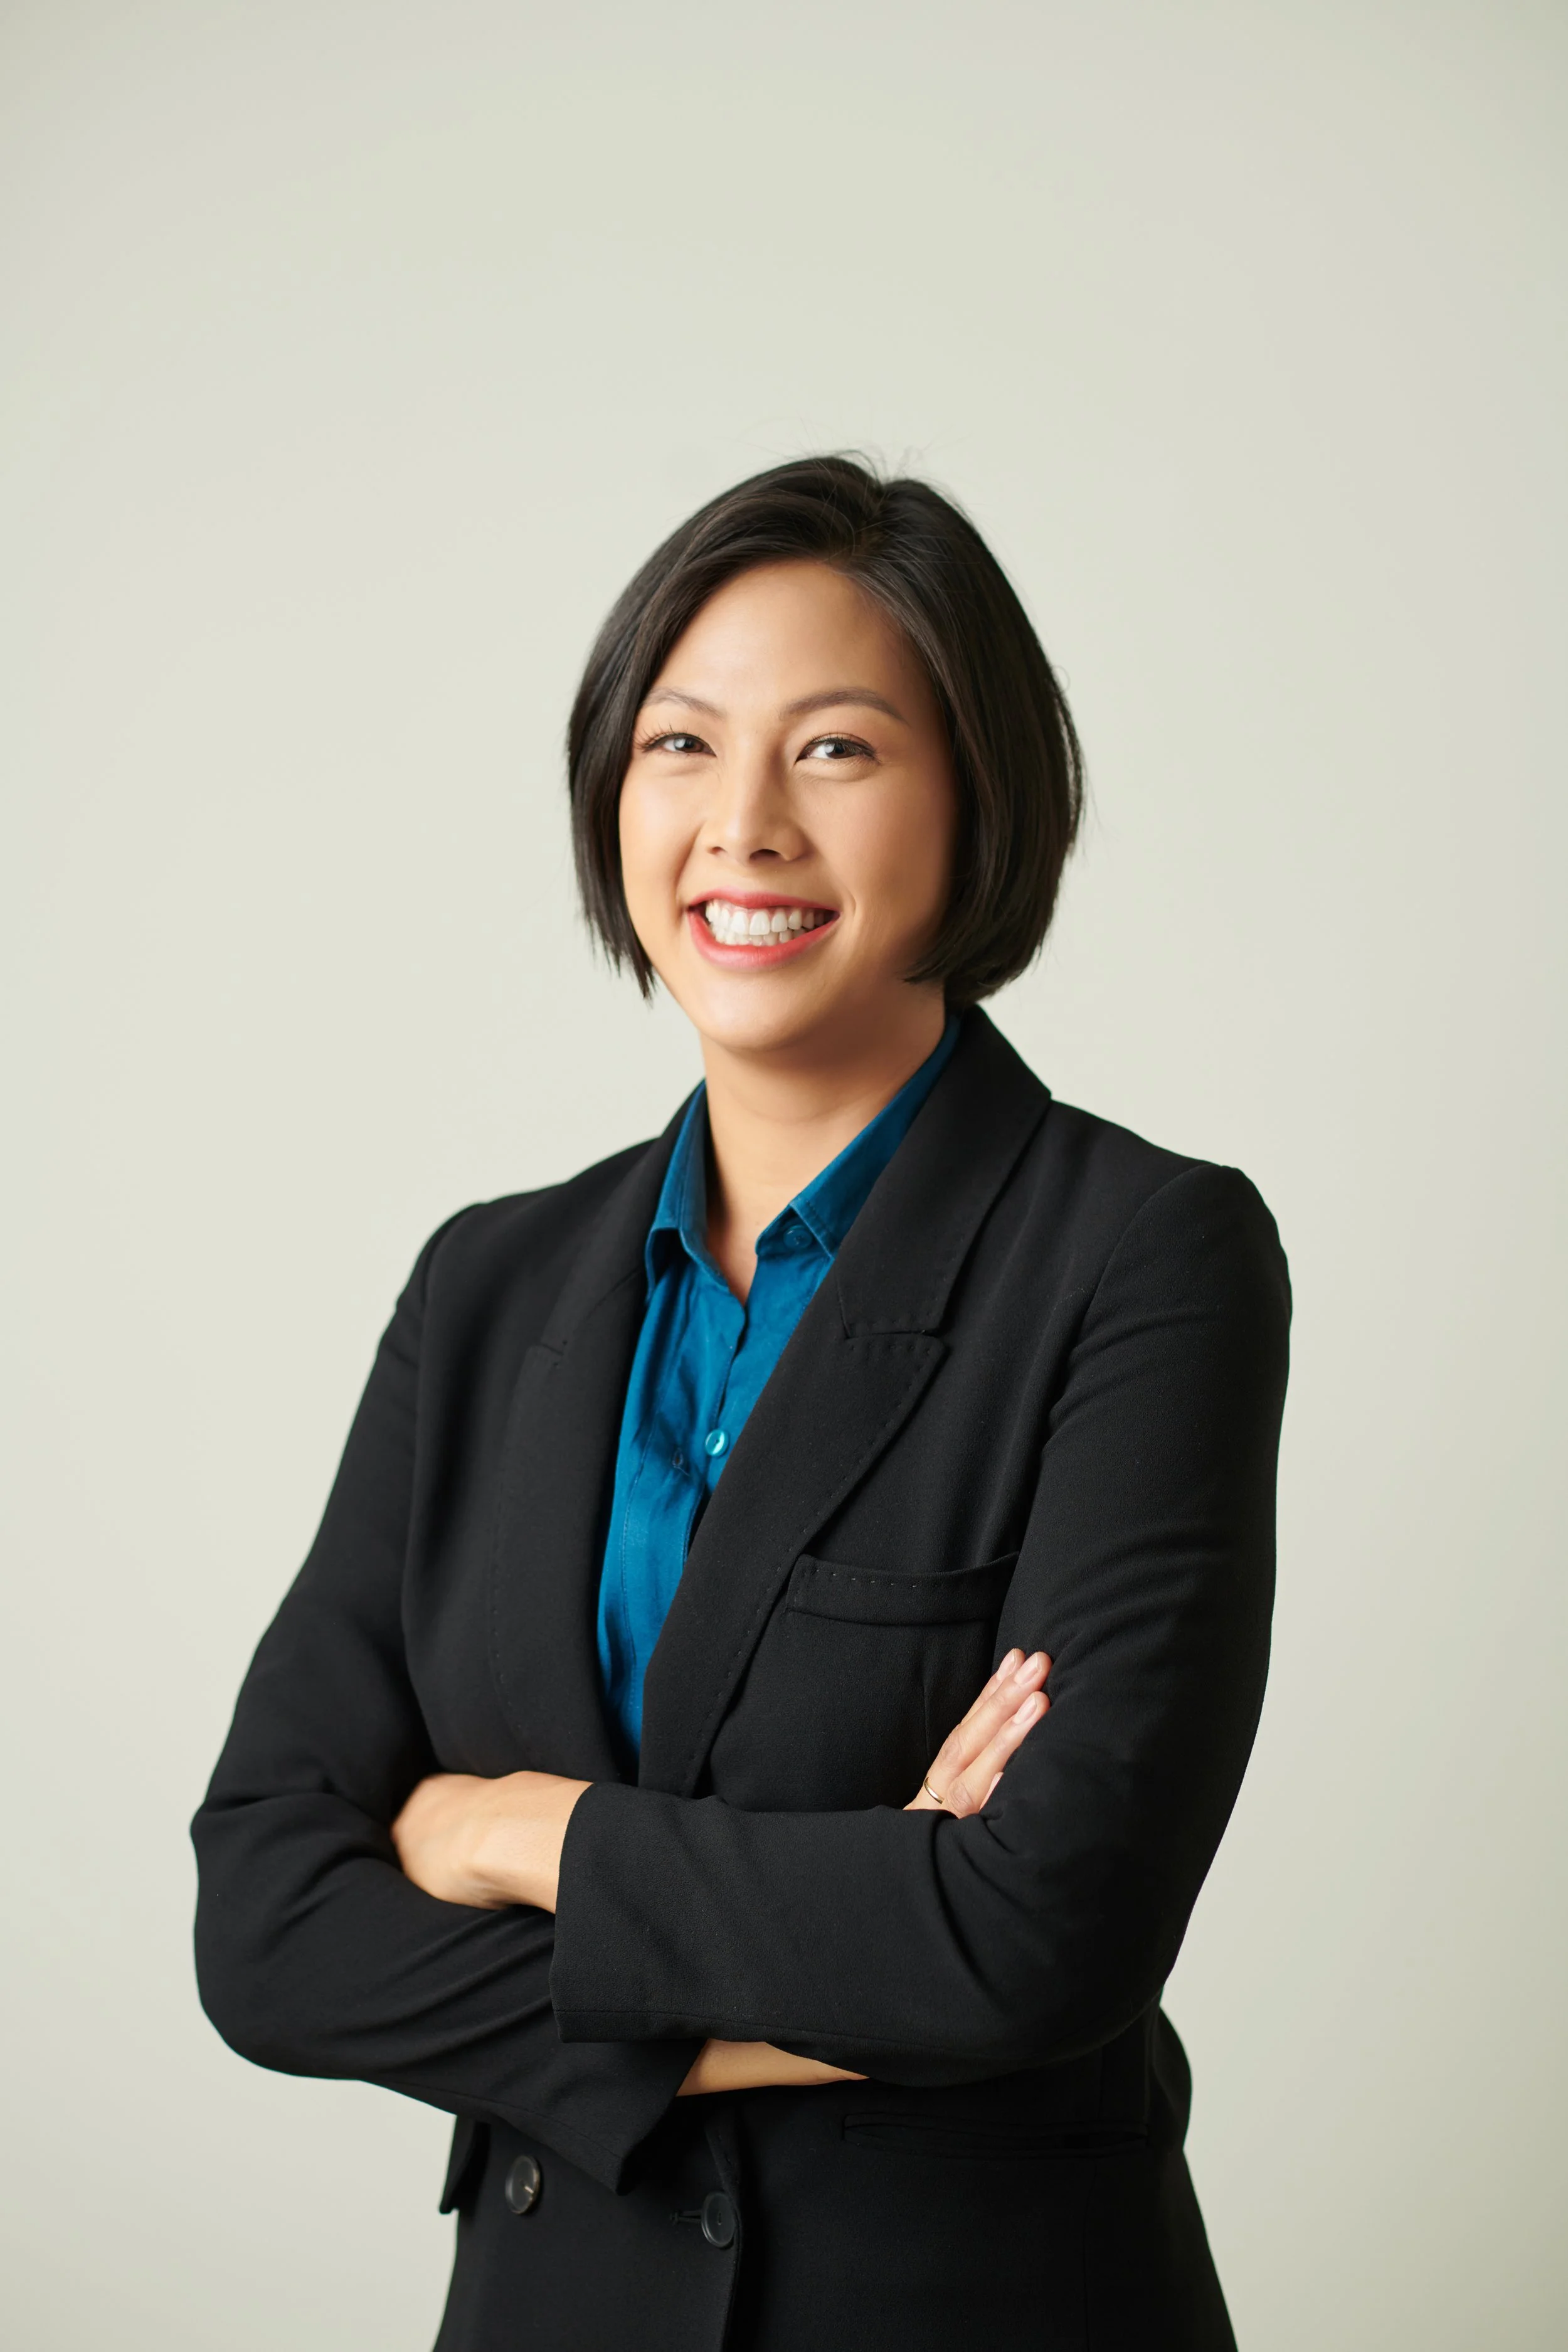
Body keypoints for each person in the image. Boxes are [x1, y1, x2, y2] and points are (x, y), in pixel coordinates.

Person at [193, 455, 1290, 2351]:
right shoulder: (488, 1286)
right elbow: (269, 1921)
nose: (741, 825)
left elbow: (1038, 1930)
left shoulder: (1141, 1258)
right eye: (680, 745)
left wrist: (502, 1832)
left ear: (976, 798)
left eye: (838, 750)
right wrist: (808, 1995)